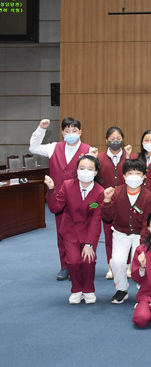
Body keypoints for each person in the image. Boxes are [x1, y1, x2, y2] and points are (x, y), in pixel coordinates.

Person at [29, 117, 94, 280]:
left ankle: (80, 264)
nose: (71, 133)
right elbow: (33, 147)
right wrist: (41, 129)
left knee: (82, 231)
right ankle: (65, 266)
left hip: (81, 198)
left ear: (80, 132)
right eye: (67, 131)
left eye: (74, 130)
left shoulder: (88, 150)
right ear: (62, 133)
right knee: (62, 232)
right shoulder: (54, 147)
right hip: (59, 198)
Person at [44, 155, 105, 304]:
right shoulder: (67, 185)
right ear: (76, 170)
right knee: (73, 261)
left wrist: (90, 244)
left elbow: (96, 220)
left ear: (96, 172)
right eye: (82, 168)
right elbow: (55, 208)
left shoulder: (100, 192)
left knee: (88, 260)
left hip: (89, 232)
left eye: (90, 169)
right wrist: (51, 190)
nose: (85, 171)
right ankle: (76, 289)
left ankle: (88, 289)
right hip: (70, 231)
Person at [101, 159, 151, 304]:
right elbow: (107, 218)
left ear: (144, 176)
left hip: (140, 234)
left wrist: (143, 245)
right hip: (120, 232)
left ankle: (143, 289)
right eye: (130, 173)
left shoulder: (148, 196)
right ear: (124, 176)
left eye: (138, 173)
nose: (134, 176)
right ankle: (121, 289)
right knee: (117, 262)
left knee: (140, 261)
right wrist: (106, 201)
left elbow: (147, 223)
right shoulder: (117, 193)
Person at [97, 126, 131, 279]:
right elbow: (96, 180)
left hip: (126, 202)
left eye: (118, 139)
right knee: (109, 235)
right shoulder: (99, 158)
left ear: (122, 140)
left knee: (127, 234)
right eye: (112, 139)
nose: (115, 142)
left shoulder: (129, 156)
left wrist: (129, 159)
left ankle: (127, 265)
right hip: (108, 202)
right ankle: (112, 266)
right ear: (106, 140)